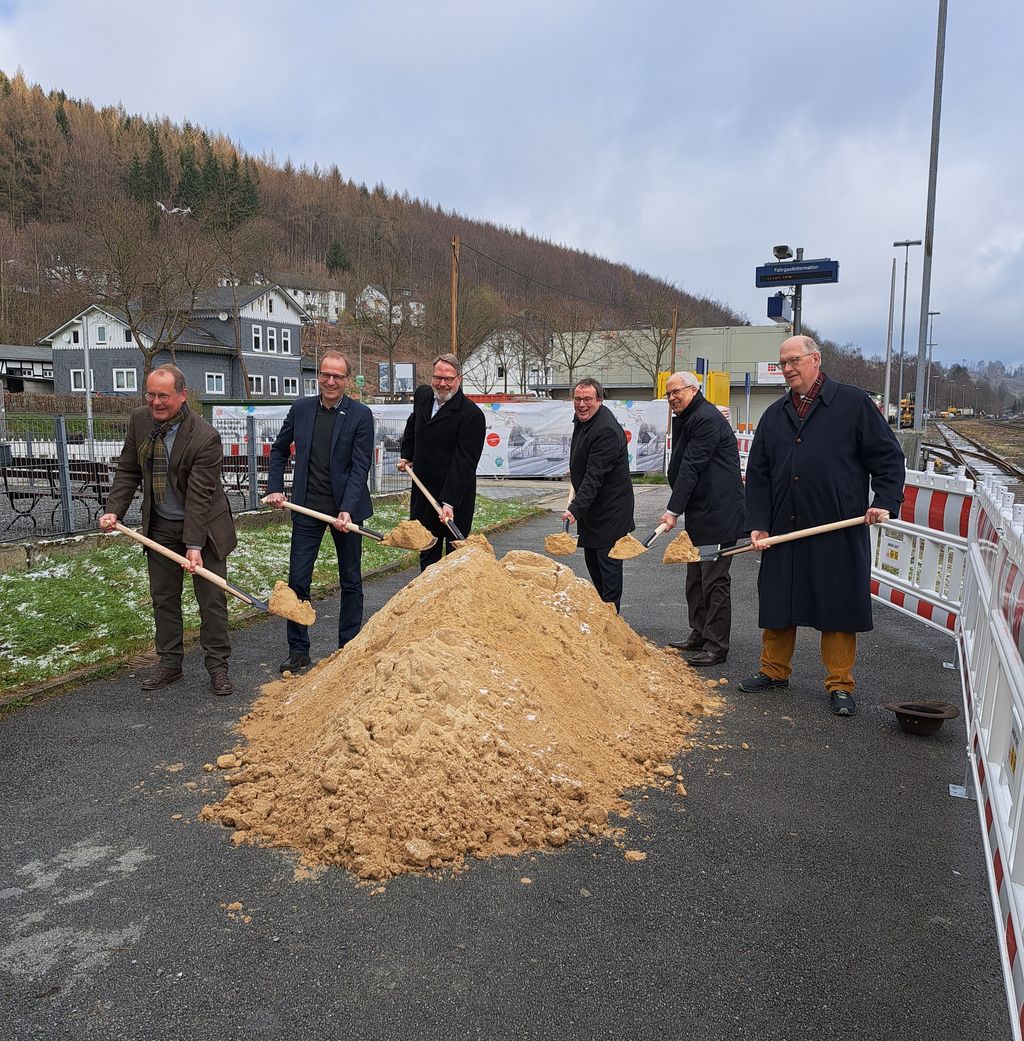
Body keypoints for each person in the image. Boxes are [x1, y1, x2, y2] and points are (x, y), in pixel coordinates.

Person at [740, 335, 905, 717]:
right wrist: (760, 525)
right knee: (780, 599)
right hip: (785, 526)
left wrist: (883, 502)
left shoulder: (852, 404)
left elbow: (888, 458)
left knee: (837, 606)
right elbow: (759, 474)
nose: (787, 369)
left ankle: (840, 684)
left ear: (815, 359)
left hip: (837, 526)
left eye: (794, 361)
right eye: (782, 363)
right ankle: (773, 670)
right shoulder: (775, 413)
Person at [99, 364, 236, 695]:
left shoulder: (204, 436)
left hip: (204, 529)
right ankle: (170, 664)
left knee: (212, 600)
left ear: (182, 395)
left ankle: (218, 667)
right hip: (159, 525)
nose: (156, 402)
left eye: (164, 395)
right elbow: (128, 470)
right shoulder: (140, 421)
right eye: (151, 394)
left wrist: (193, 545)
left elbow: (200, 497)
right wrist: (113, 510)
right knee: (163, 598)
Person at [266, 351, 374, 674]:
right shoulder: (301, 409)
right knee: (298, 581)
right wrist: (275, 487)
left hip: (346, 511)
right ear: (319, 376)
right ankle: (298, 650)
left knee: (351, 581)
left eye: (337, 376)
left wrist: (347, 510)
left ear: (347, 380)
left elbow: (360, 468)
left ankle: (349, 646)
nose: (330, 381)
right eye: (325, 374)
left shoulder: (360, 415)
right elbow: (278, 449)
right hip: (306, 507)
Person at [659, 371, 745, 666]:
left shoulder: (706, 419)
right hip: (701, 515)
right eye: (668, 394)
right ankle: (699, 632)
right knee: (695, 579)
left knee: (714, 580)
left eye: (676, 392)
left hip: (718, 517)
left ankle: (716, 645)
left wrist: (672, 511)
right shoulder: (690, 417)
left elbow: (692, 467)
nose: (672, 398)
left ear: (694, 390)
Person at [398, 353, 486, 570]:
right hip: (423, 491)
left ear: (459, 379)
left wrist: (449, 502)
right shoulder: (423, 396)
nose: (443, 384)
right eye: (438, 378)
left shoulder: (471, 415)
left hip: (455, 497)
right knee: (427, 552)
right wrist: (407, 454)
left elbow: (464, 463)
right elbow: (413, 422)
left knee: (454, 557)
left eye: (448, 379)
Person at [563, 378, 635, 612]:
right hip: (593, 511)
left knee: (608, 568)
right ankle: (604, 612)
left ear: (600, 400)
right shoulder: (583, 420)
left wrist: (574, 509)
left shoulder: (605, 430)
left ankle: (613, 618)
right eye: (577, 399)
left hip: (610, 512)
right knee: (593, 564)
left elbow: (595, 477)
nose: (582, 404)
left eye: (587, 400)